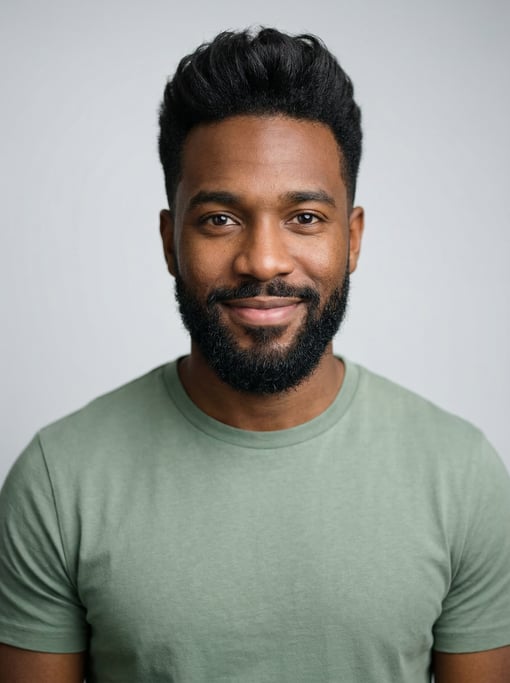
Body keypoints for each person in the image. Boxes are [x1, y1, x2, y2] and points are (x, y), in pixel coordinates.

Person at [0, 27, 509, 683]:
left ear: (351, 239)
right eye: (220, 218)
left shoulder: (461, 477)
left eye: (304, 217)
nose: (263, 259)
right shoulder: (57, 481)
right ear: (168, 239)